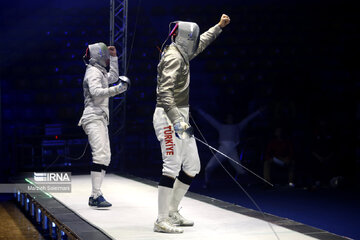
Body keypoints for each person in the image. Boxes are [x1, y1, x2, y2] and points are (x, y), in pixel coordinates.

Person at [153, 14, 231, 233]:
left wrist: (218, 27)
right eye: (193, 39)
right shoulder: (173, 58)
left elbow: (202, 43)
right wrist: (178, 121)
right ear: (186, 39)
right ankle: (161, 219)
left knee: (192, 165)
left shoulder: (182, 52)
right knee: (171, 166)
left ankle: (172, 211)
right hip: (169, 118)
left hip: (179, 119)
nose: (195, 43)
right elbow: (164, 94)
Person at [78, 42, 130, 208]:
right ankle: (95, 195)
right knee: (100, 155)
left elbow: (113, 77)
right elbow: (96, 93)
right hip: (92, 117)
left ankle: (96, 194)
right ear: (98, 57)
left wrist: (115, 58)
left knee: (105, 156)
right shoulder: (92, 72)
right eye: (107, 57)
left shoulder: (98, 71)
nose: (107, 60)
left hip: (99, 118)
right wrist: (118, 90)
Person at [197, 108, 263, 188]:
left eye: (231, 118)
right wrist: (199, 110)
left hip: (232, 151)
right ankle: (207, 183)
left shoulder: (238, 126)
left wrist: (258, 111)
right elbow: (210, 119)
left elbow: (247, 119)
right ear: (226, 119)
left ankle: (248, 183)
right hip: (222, 150)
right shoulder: (221, 126)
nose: (230, 119)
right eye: (228, 118)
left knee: (241, 170)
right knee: (208, 167)